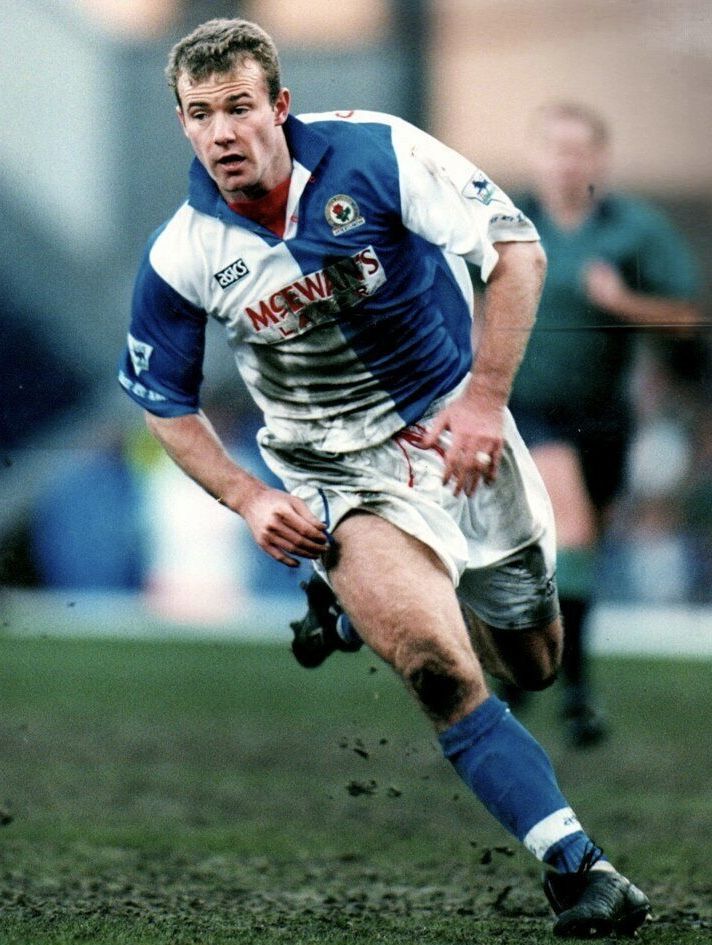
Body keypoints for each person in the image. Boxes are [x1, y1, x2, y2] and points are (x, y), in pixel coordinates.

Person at [119, 19, 650, 937]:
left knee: (534, 658)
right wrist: (249, 496)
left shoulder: (380, 152)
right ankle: (581, 869)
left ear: (278, 107)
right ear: (182, 126)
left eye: (239, 107)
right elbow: (163, 399)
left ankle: (367, 601)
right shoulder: (181, 253)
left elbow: (516, 252)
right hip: (333, 469)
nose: (222, 133)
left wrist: (485, 401)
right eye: (200, 115)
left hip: (459, 435)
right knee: (441, 670)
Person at [506, 102, 702, 745]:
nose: (567, 162)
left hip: (603, 416)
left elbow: (687, 317)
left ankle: (527, 679)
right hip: (523, 408)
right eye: (555, 149)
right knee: (573, 530)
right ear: (536, 155)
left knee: (571, 551)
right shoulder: (502, 222)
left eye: (579, 150)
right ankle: (577, 695)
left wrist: (623, 302)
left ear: (599, 159)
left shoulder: (633, 229)